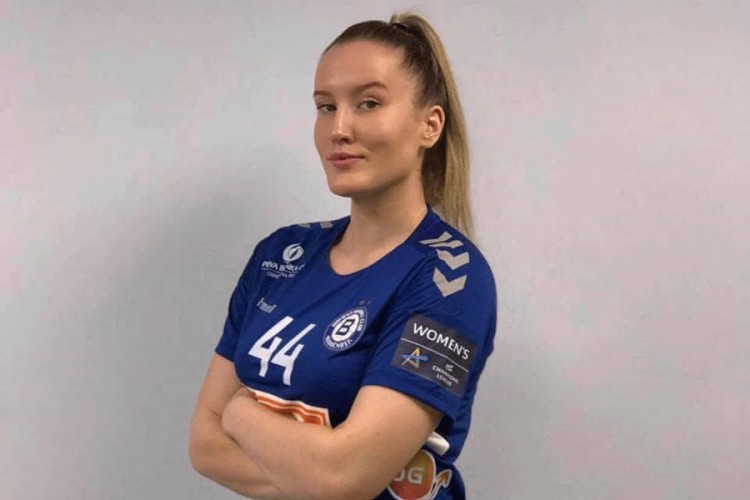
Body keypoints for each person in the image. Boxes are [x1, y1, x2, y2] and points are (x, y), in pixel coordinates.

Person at [189, 12, 497, 500]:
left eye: (369, 103)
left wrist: (238, 411)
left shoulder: (450, 277)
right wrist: (314, 474)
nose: (339, 128)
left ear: (429, 124)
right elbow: (204, 446)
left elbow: (343, 477)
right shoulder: (279, 255)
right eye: (325, 106)